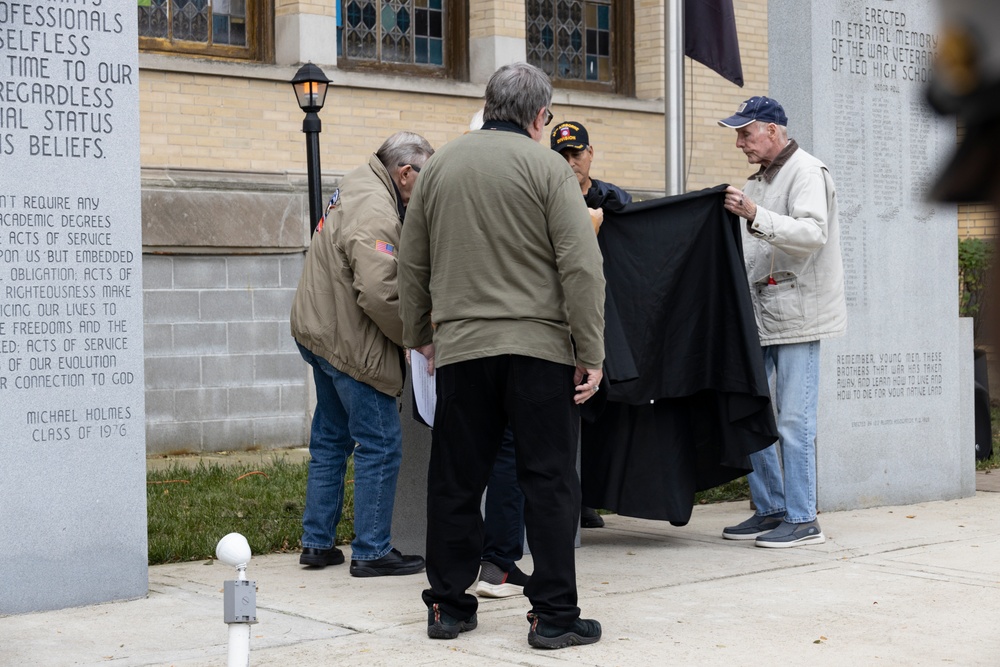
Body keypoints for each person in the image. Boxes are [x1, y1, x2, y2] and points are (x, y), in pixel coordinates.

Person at [398, 62, 607, 649]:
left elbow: (412, 263)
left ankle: (447, 607)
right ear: (541, 117)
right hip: (541, 352)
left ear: (488, 103)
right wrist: (590, 351)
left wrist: (422, 335)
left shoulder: (440, 166)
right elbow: (580, 266)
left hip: (464, 350)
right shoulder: (549, 168)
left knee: (456, 481)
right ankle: (554, 617)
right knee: (549, 483)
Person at [290, 131, 433, 576]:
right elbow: (379, 291)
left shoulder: (355, 183)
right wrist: (417, 337)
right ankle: (371, 551)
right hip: (351, 343)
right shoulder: (376, 206)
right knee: (381, 443)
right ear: (405, 173)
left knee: (330, 439)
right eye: (423, 179)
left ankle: (317, 543)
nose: (425, 190)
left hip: (319, 331)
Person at [717, 96, 847, 548]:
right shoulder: (759, 180)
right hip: (763, 316)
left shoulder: (808, 171)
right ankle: (772, 508)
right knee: (754, 414)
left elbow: (813, 233)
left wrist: (754, 214)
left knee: (793, 421)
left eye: (745, 133)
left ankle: (804, 518)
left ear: (773, 130)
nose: (739, 143)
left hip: (798, 317)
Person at [550, 119, 632, 529]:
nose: (570, 162)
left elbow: (634, 219)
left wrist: (613, 203)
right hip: (560, 318)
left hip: (607, 314)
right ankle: (576, 500)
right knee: (570, 411)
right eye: (561, 155)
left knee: (600, 408)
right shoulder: (548, 196)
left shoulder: (610, 199)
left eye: (576, 153)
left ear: (590, 153)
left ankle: (591, 496)